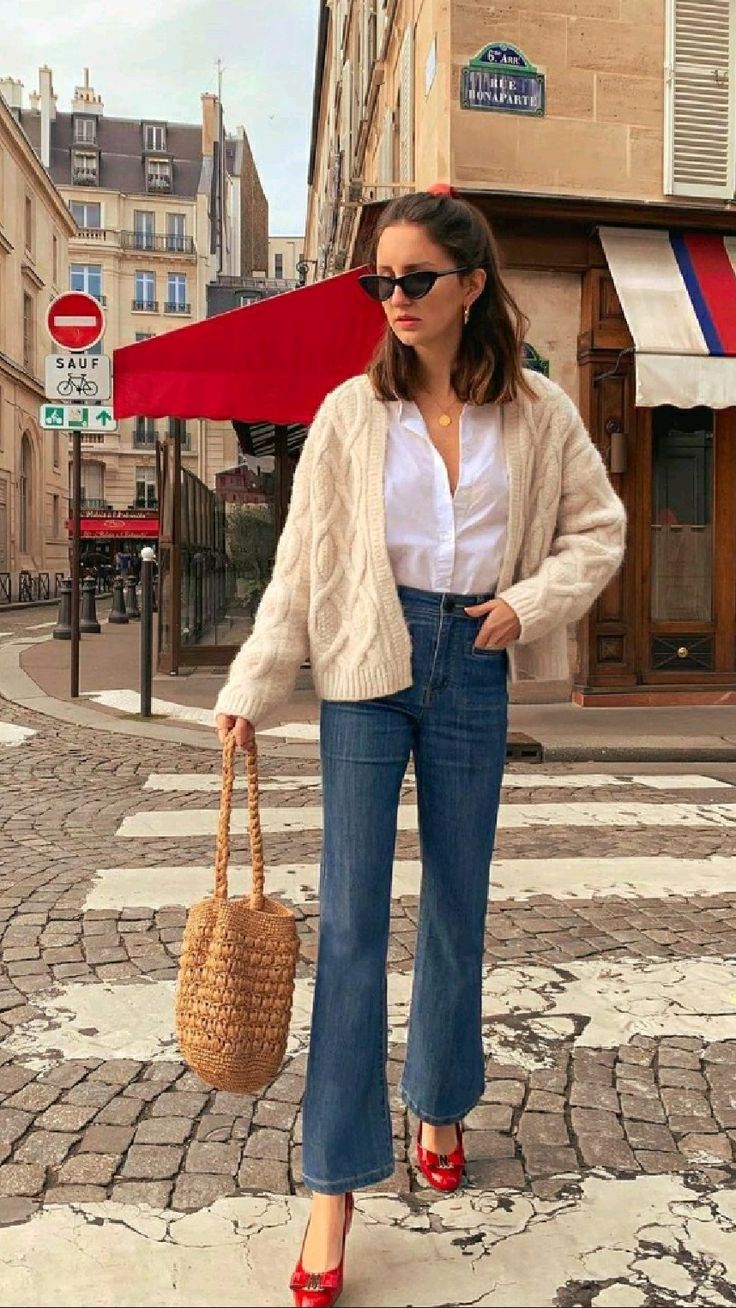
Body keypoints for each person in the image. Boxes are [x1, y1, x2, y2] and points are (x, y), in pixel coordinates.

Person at [214, 185, 626, 1308]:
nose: (394, 298)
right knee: (349, 923)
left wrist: (530, 604)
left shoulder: (539, 413)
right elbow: (302, 560)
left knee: (456, 905)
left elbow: (600, 527)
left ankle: (440, 1098)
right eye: (379, 281)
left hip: (473, 664)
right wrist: (256, 679)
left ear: (471, 286)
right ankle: (335, 1182)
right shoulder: (353, 412)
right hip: (367, 665)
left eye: (415, 278)